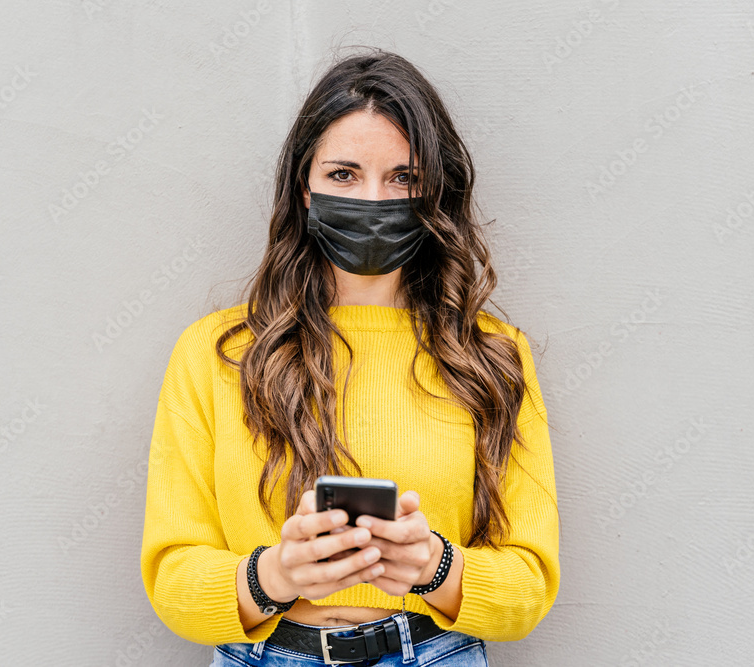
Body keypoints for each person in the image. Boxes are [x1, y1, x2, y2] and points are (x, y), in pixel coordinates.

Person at [140, 48, 560, 666]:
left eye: (403, 178)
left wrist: (432, 565)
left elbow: (528, 588)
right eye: (343, 175)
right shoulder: (216, 353)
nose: (372, 201)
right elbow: (173, 580)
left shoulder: (492, 355)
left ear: (434, 194)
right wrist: (278, 575)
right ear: (304, 191)